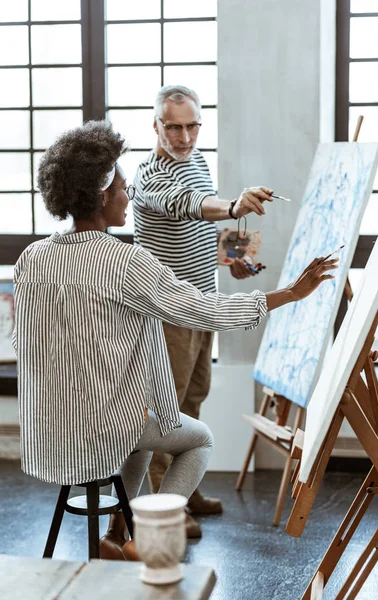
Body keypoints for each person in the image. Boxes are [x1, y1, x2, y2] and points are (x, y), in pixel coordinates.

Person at [13, 120, 337, 561]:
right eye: (123, 189)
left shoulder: (32, 257)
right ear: (103, 195)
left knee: (142, 419)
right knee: (198, 438)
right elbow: (205, 310)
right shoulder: (125, 261)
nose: (129, 196)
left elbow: (29, 342)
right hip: (98, 431)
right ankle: (147, 537)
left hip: (46, 430)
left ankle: (113, 536)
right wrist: (291, 293)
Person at [133, 85, 274, 535]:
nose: (184, 136)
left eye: (192, 125)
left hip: (201, 305)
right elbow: (190, 205)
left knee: (193, 399)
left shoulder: (197, 159)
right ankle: (162, 509)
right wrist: (234, 205)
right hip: (167, 311)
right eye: (172, 126)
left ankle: (185, 486)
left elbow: (198, 229)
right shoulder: (148, 176)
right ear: (154, 124)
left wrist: (236, 258)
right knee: (166, 410)